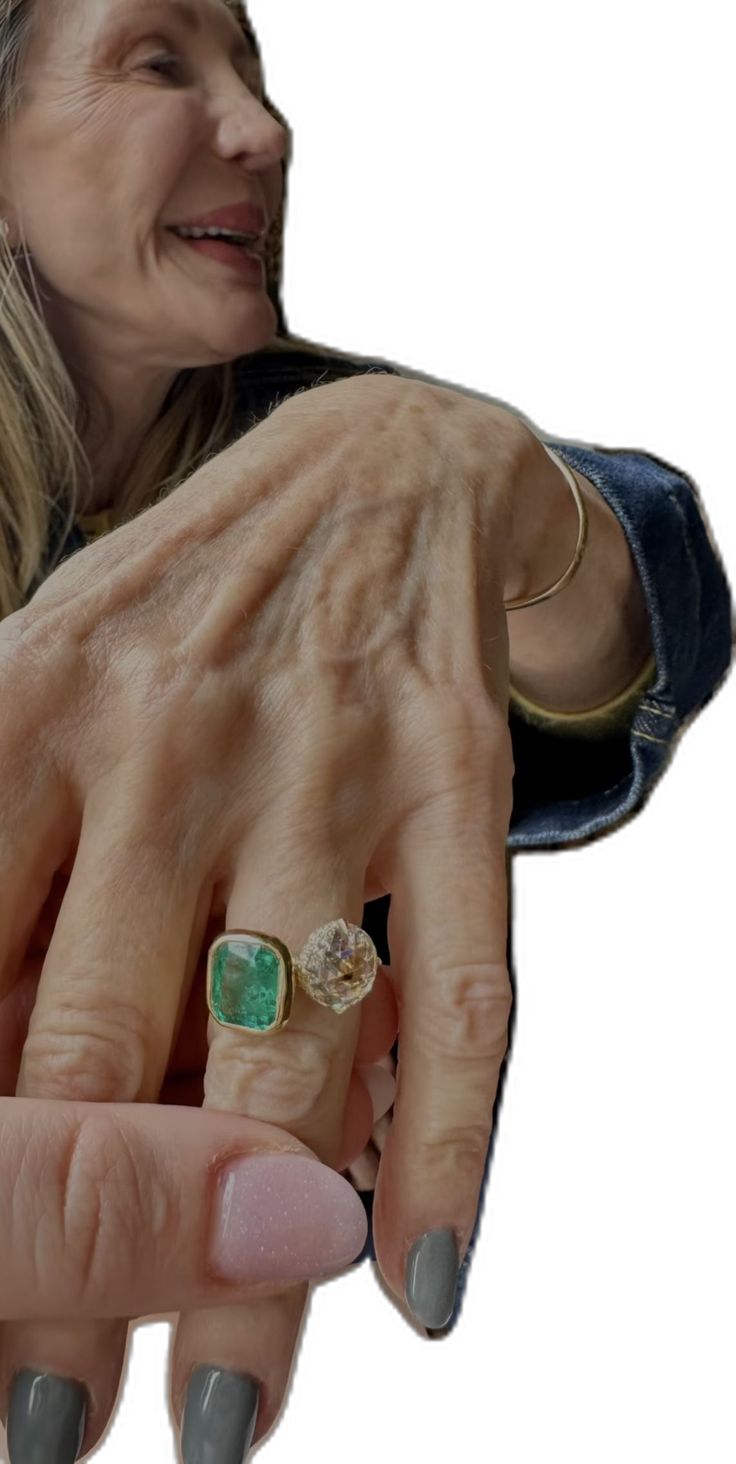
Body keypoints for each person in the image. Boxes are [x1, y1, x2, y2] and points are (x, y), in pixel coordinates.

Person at [0, 3, 732, 1464]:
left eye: (257, 78)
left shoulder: (327, 439)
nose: (265, 133)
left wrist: (450, 462)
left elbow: (653, 621)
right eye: (161, 61)